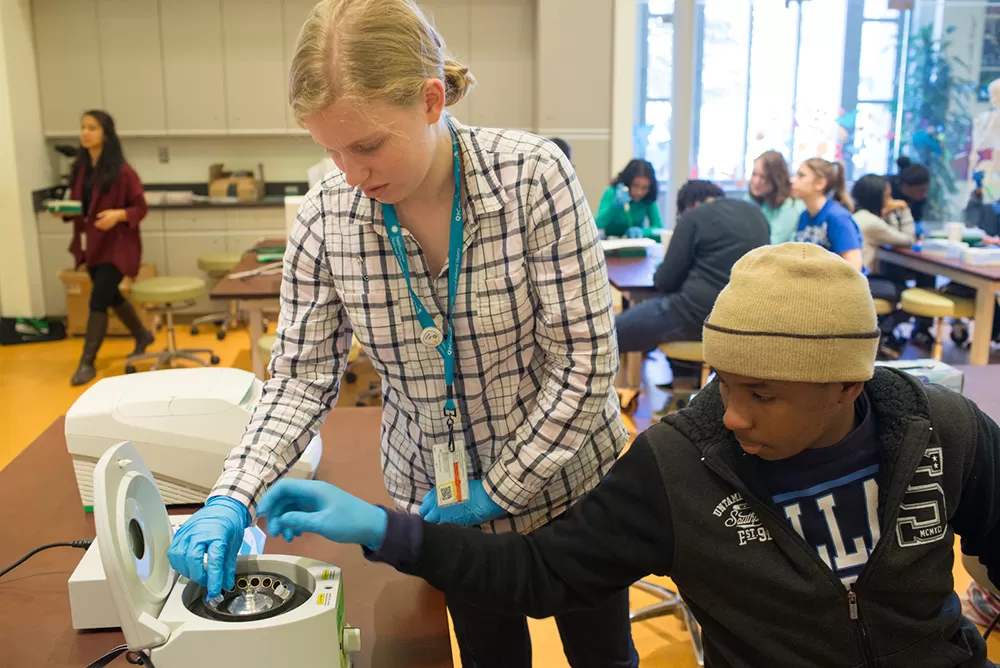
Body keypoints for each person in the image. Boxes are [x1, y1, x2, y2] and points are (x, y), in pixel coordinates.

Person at [258, 243, 1000, 668]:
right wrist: (384, 529)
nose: (729, 412)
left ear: (846, 385)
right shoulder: (680, 467)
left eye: (762, 394)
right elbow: (540, 574)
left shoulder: (942, 428)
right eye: (721, 381)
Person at [167, 2, 633, 666]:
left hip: (570, 488)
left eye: (367, 145)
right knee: (489, 656)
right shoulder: (328, 217)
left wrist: (499, 489)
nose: (351, 174)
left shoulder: (531, 177)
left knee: (603, 657)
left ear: (431, 99)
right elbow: (300, 380)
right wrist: (231, 496)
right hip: (441, 502)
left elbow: (585, 365)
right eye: (328, 149)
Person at [614, 181, 768, 356]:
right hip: (746, 317)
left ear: (688, 205)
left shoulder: (693, 217)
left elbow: (665, 281)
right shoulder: (755, 213)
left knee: (610, 332)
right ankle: (684, 379)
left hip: (697, 314)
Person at [65, 110, 154, 386]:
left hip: (117, 247)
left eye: (92, 127)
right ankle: (142, 334)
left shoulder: (122, 171)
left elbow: (140, 208)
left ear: (105, 133)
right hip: (92, 245)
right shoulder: (82, 169)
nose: (85, 133)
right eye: (83, 127)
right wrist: (64, 211)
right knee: (111, 295)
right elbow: (80, 207)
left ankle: (87, 362)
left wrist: (117, 215)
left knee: (98, 299)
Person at [851, 173, 916, 357]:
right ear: (877, 197)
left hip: (858, 278)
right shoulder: (872, 223)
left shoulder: (859, 216)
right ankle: (885, 331)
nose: (891, 200)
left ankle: (884, 333)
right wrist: (904, 209)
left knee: (893, 281)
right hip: (861, 282)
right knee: (905, 291)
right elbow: (908, 239)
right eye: (887, 196)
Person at [792, 158, 864, 271]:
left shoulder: (837, 217)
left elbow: (854, 267)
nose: (793, 180)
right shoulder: (804, 216)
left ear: (820, 183)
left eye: (801, 176)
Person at [745, 149, 805, 244]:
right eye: (754, 174)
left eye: (763, 177)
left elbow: (772, 245)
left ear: (776, 179)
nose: (756, 181)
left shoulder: (791, 206)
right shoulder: (753, 199)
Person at [594, 159, 663, 239]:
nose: (639, 192)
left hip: (636, 247)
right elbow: (597, 225)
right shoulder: (611, 192)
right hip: (611, 246)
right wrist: (613, 206)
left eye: (645, 188)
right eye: (635, 185)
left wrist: (643, 232)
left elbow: (658, 228)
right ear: (627, 182)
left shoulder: (648, 198)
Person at [889, 156, 930, 224]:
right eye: (920, 191)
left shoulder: (919, 200)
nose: (924, 195)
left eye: (925, 190)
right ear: (905, 186)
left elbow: (916, 220)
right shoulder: (887, 191)